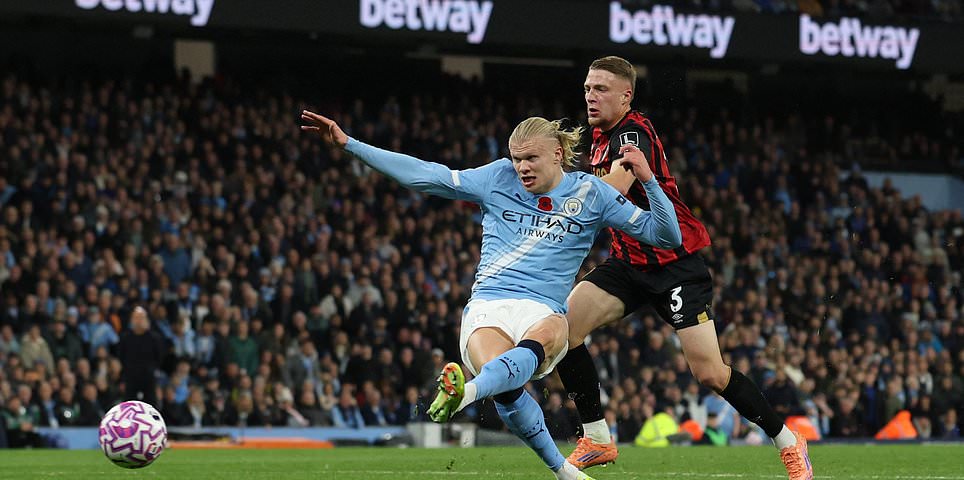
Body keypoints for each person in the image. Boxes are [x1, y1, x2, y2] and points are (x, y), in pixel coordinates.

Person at [302, 110, 681, 480]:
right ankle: (563, 471)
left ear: (557, 154)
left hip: (542, 309)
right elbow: (426, 174)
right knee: (507, 387)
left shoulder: (591, 193)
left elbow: (667, 236)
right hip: (489, 306)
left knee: (555, 329)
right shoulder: (498, 177)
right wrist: (349, 144)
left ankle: (465, 393)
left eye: (531, 158)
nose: (522, 168)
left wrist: (648, 181)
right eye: (517, 159)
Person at [554, 56, 813, 480]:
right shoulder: (598, 138)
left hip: (674, 266)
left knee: (710, 373)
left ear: (626, 96)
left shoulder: (633, 133)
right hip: (628, 263)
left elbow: (616, 187)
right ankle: (597, 437)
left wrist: (561, 204)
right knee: (564, 329)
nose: (590, 96)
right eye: (587, 88)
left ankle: (788, 440)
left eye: (600, 89)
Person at [117, 306, 165, 407]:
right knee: (129, 406)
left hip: (149, 378)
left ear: (147, 320)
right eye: (136, 317)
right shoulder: (125, 338)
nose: (138, 321)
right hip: (130, 378)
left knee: (151, 406)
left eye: (141, 317)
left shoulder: (154, 338)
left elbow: (159, 358)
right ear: (131, 320)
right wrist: (122, 379)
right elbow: (121, 358)